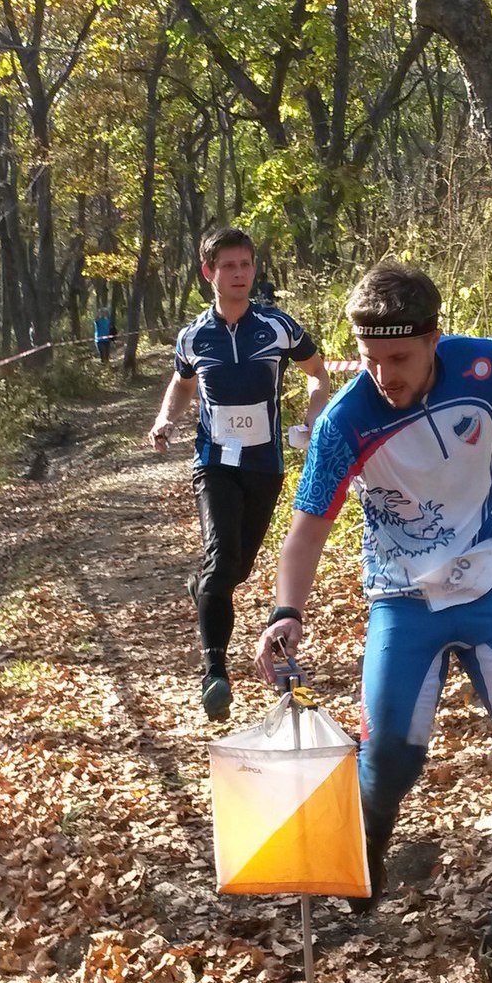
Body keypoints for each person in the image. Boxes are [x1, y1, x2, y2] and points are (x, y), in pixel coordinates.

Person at [253, 262, 492, 983]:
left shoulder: (484, 366)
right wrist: (286, 612)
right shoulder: (348, 418)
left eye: (400, 359)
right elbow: (307, 531)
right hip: (402, 603)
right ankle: (371, 848)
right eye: (368, 357)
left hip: (490, 589)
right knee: (390, 759)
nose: (383, 375)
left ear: (434, 340)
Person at [150, 227, 330, 720]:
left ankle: (203, 585)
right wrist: (167, 417)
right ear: (209, 273)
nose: (239, 275)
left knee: (236, 568)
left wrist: (317, 414)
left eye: (246, 265)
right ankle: (215, 672)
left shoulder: (278, 327)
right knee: (221, 555)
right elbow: (183, 384)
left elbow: (318, 372)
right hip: (213, 461)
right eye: (228, 266)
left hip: (263, 463)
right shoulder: (193, 336)